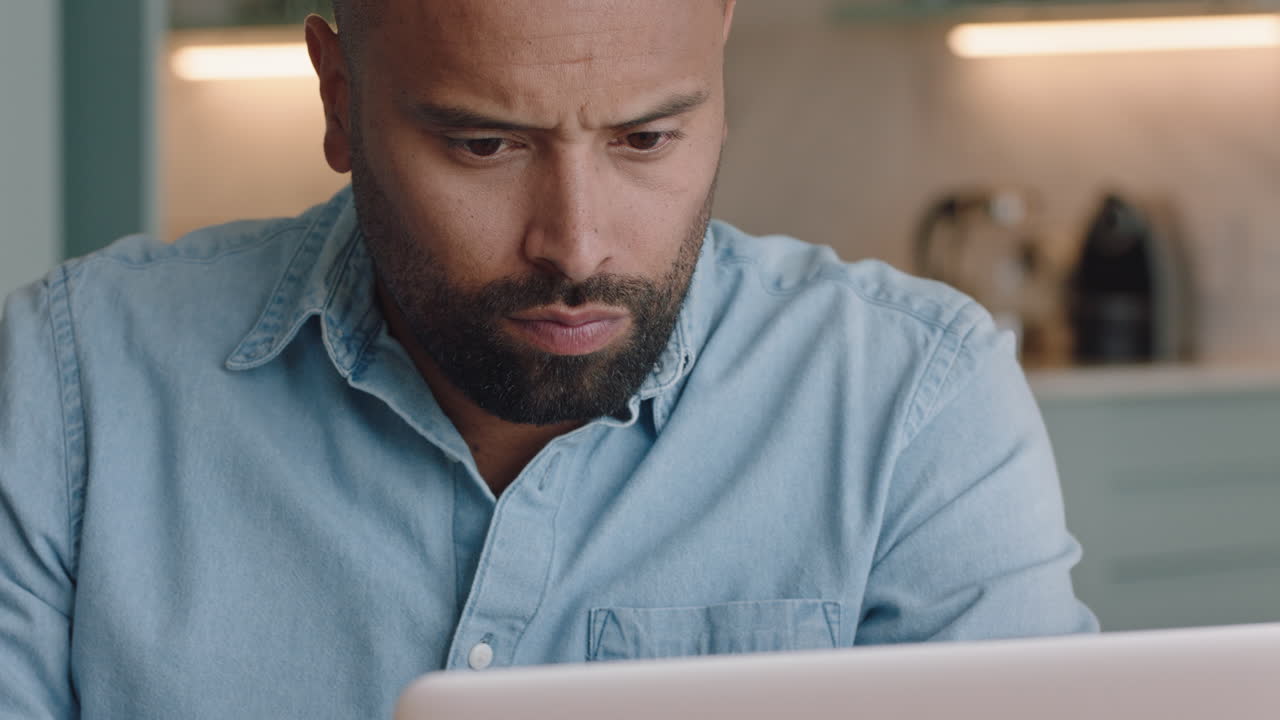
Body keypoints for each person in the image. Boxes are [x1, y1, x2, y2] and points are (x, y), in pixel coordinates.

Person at [0, 0, 1097, 717]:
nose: (575, 245)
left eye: (645, 138)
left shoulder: (911, 402)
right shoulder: (74, 385)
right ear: (337, 94)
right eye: (485, 145)